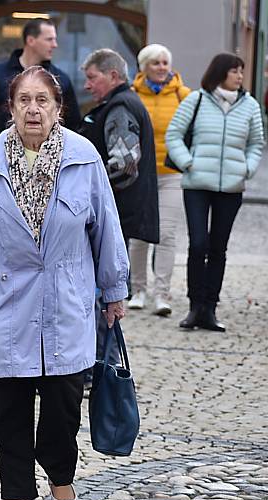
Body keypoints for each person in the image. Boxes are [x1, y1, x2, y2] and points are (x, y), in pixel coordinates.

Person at [0, 66, 129, 500]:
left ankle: (61, 481)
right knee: (9, 406)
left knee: (62, 405)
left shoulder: (83, 158)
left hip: (66, 299)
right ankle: (15, 491)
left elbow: (106, 227)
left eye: (42, 100)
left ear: (58, 109)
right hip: (6, 300)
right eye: (24, 100)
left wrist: (114, 289)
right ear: (12, 107)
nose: (33, 109)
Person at [166, 53, 264, 331]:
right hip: (197, 184)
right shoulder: (196, 100)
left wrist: (248, 167)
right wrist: (187, 162)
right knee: (198, 245)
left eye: (241, 72)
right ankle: (194, 306)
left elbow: (256, 143)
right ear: (221, 72)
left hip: (231, 187)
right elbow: (174, 133)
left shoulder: (250, 106)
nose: (240, 76)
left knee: (218, 248)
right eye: (235, 71)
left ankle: (210, 308)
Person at [129, 44, 191, 316]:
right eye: (156, 63)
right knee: (139, 234)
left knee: (165, 234)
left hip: (170, 173)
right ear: (144, 67)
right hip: (141, 175)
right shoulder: (131, 95)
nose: (162, 68)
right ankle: (138, 289)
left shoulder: (183, 95)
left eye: (165, 63)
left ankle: (162, 293)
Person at [80, 48, 159, 248]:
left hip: (116, 212)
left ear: (113, 76)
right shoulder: (122, 103)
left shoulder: (120, 108)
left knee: (115, 276)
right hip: (117, 212)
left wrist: (85, 185)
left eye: (92, 78)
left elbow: (125, 166)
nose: (86, 86)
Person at [0, 18, 81, 143]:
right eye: (49, 39)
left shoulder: (61, 79)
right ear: (31, 40)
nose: (55, 45)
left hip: (51, 157)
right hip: (3, 155)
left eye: (42, 100)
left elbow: (72, 124)